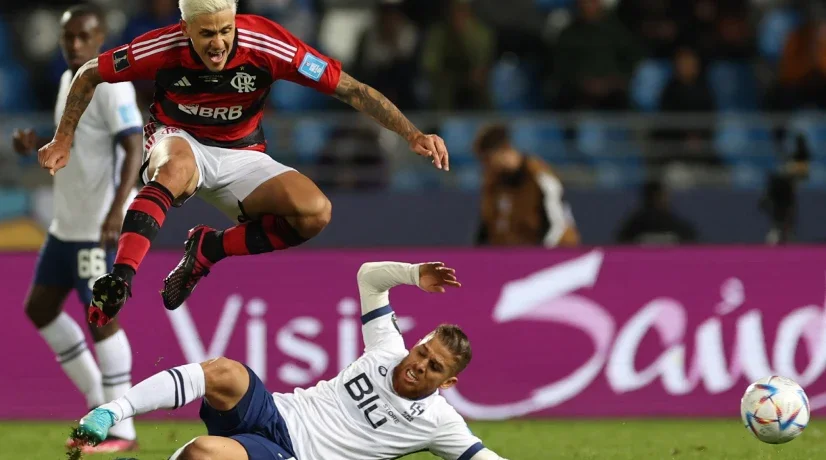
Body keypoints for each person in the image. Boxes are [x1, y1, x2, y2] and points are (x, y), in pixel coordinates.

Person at [37, 0, 450, 327]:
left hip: (242, 153)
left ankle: (209, 248)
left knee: (315, 213)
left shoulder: (269, 44)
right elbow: (90, 72)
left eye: (225, 30)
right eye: (206, 34)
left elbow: (352, 91)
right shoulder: (163, 46)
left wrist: (412, 133)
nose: (217, 42)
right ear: (186, 30)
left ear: (235, 22)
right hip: (177, 140)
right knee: (175, 168)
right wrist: (63, 139)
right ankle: (121, 279)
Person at [71, 261, 509, 460]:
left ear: (448, 383)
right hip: (278, 411)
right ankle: (113, 410)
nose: (419, 365)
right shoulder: (387, 347)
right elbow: (369, 278)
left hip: (293, 454)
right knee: (224, 371)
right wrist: (413, 274)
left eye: (434, 368)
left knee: (204, 454)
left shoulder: (440, 422)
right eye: (423, 352)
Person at [12, 4, 144, 454]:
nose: (73, 45)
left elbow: (133, 145)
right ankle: (96, 399)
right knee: (40, 309)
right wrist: (37, 145)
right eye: (68, 37)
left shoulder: (111, 84)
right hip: (65, 225)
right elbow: (76, 146)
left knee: (102, 318)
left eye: (82, 37)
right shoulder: (72, 81)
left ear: (99, 38)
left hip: (95, 228)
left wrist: (115, 212)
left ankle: (122, 428)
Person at [473, 124, 580, 247]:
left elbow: (557, 225)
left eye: (488, 159)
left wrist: (536, 258)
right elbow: (487, 224)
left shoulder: (540, 177)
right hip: (509, 256)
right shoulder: (492, 182)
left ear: (504, 150)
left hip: (552, 255)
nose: (486, 166)